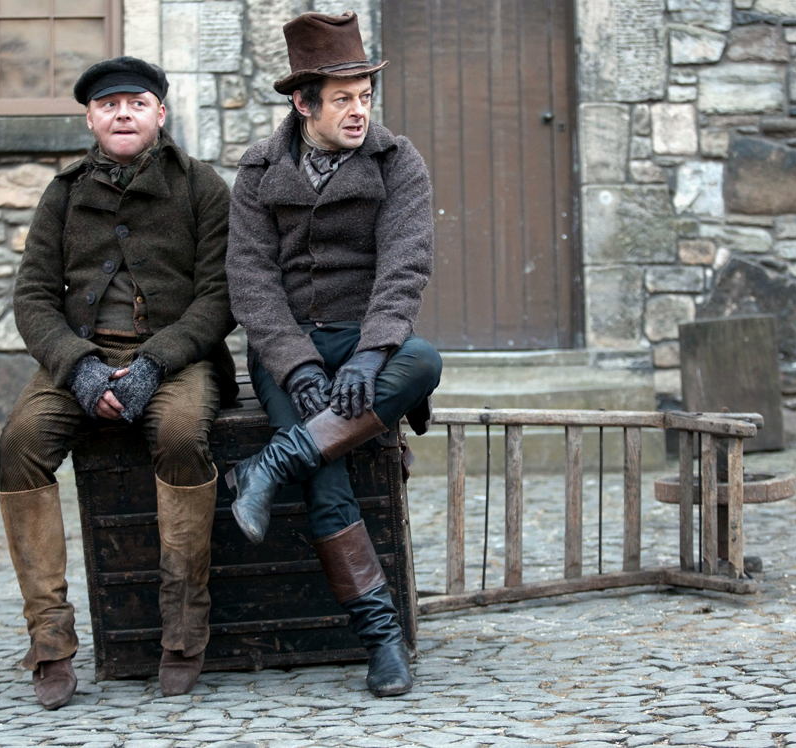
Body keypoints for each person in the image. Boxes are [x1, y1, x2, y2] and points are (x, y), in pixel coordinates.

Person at [0, 56, 235, 708]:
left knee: (182, 435)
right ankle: (49, 640)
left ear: (160, 113)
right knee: (18, 445)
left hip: (176, 358)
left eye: (136, 103)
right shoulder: (63, 193)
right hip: (80, 355)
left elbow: (220, 296)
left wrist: (155, 363)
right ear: (90, 119)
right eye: (109, 105)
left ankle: (183, 628)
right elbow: (33, 298)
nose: (122, 114)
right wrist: (78, 367)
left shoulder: (202, 187)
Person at [225, 11, 441, 698]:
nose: (358, 111)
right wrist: (297, 367)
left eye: (365, 96)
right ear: (303, 102)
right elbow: (251, 283)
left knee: (424, 362)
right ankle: (382, 642)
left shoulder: (398, 162)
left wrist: (371, 356)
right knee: (327, 475)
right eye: (343, 98)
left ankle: (268, 465)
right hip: (288, 344)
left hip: (364, 335)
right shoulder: (259, 170)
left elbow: (404, 267)